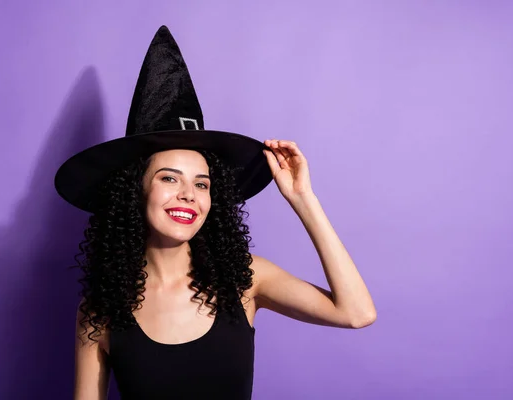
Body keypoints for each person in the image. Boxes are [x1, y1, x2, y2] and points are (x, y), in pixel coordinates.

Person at [55, 25, 376, 400]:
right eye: (169, 179)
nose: (189, 195)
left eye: (202, 184)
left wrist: (302, 198)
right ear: (134, 191)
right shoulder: (101, 306)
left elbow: (355, 313)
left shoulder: (245, 277)